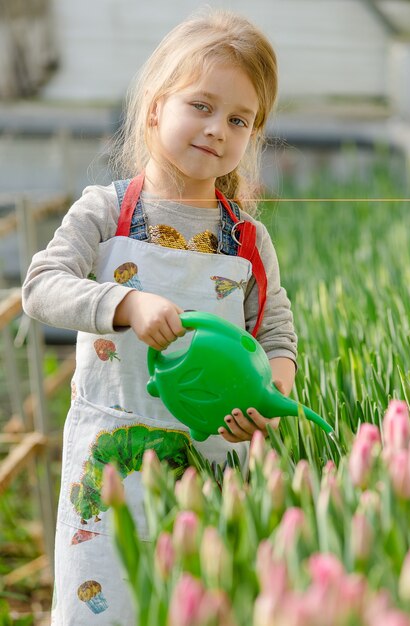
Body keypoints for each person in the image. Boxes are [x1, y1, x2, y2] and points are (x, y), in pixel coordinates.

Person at [22, 8, 297, 624]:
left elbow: (276, 332)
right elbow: (41, 286)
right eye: (200, 105)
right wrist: (124, 303)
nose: (216, 129)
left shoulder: (246, 240)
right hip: (107, 469)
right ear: (154, 109)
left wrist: (271, 398)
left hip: (211, 463)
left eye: (238, 119)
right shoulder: (106, 211)